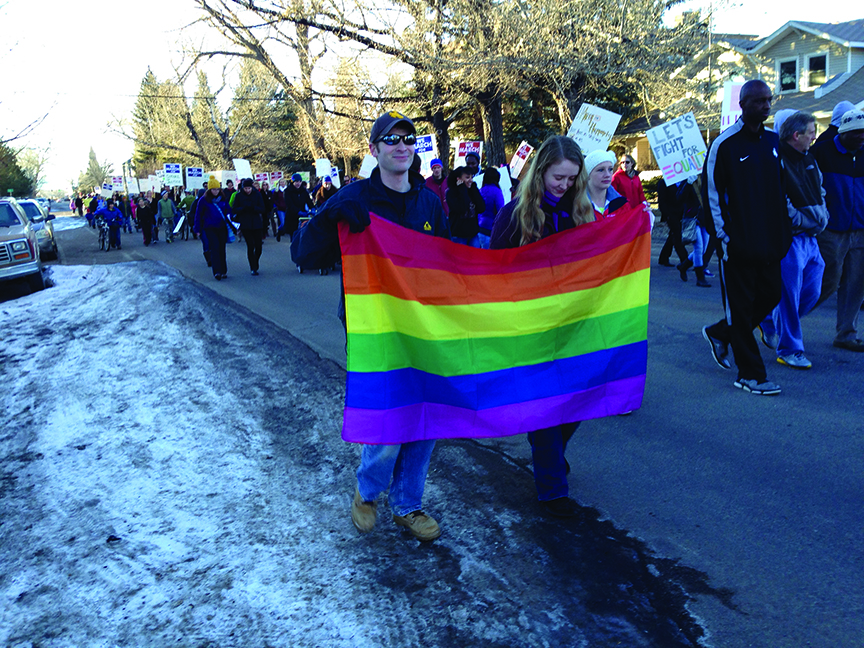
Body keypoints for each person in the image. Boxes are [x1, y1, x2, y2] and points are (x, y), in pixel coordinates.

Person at [292, 110, 449, 542]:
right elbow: (302, 256)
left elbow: (447, 262)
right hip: (374, 330)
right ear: (374, 149)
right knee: (386, 418)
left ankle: (407, 505)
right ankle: (368, 491)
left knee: (425, 418)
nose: (401, 145)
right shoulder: (354, 197)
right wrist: (328, 216)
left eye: (408, 138)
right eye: (391, 138)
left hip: (424, 328)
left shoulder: (429, 202)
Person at [490, 135, 594, 516]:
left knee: (579, 399)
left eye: (571, 179)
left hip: (571, 327)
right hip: (529, 329)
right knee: (547, 407)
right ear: (540, 171)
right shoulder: (513, 214)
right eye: (558, 178)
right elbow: (494, 272)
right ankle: (553, 491)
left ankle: (549, 451)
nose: (564, 186)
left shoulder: (580, 211)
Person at [700, 79, 792, 395]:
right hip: (737, 246)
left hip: (771, 244)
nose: (765, 106)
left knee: (771, 296)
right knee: (741, 311)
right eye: (758, 101)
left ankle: (720, 333)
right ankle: (750, 375)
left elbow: (782, 190)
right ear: (743, 104)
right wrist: (724, 238)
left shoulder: (773, 141)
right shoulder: (724, 144)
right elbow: (710, 194)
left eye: (768, 100)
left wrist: (785, 233)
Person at [752, 110, 828, 369]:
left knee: (813, 290)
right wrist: (802, 220)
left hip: (812, 239)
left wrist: (822, 215)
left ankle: (769, 321)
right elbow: (777, 201)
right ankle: (790, 349)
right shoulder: (776, 159)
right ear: (796, 135)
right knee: (789, 296)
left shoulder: (809, 159)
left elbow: (820, 189)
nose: (813, 138)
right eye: (810, 133)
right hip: (791, 240)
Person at [811, 108, 864, 352]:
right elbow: (807, 186)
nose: (861, 137)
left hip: (860, 231)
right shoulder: (821, 152)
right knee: (826, 282)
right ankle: (780, 320)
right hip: (831, 230)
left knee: (856, 283)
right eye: (856, 133)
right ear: (843, 132)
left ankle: (847, 333)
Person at [193, 175, 234, 280]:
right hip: (210, 227)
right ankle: (217, 272)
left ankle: (224, 271)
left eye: (217, 189)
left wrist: (232, 219)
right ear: (209, 189)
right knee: (214, 248)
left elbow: (228, 211)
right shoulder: (203, 200)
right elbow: (198, 214)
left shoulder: (223, 199)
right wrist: (196, 228)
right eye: (213, 189)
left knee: (222, 248)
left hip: (222, 227)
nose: (216, 191)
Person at [233, 178, 265, 276]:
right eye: (246, 188)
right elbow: (234, 209)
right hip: (245, 224)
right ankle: (253, 267)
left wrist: (254, 208)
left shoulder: (257, 194)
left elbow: (262, 208)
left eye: (249, 188)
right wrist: (243, 209)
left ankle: (256, 261)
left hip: (256, 223)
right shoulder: (239, 196)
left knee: (258, 246)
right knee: (250, 245)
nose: (248, 190)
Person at [446, 166, 485, 247]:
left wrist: (474, 189)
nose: (470, 180)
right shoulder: (451, 193)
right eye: (467, 177)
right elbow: (461, 208)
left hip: (473, 234)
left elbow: (481, 208)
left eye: (472, 177)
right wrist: (462, 189)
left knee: (475, 258)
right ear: (459, 179)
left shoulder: (472, 190)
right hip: (458, 235)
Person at [583, 150, 628, 219]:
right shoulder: (575, 206)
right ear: (588, 174)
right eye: (601, 170)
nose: (607, 175)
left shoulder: (622, 204)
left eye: (610, 169)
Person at [478, 167, 505, 249]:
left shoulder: (480, 190)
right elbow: (500, 210)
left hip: (479, 228)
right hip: (491, 229)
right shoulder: (497, 192)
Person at [282, 173, 314, 242]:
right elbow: (289, 204)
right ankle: (281, 230)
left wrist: (313, 208)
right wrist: (298, 211)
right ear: (293, 182)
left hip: (302, 218)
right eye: (296, 182)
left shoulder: (303, 191)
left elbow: (308, 201)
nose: (298, 183)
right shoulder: (287, 191)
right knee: (294, 238)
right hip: (292, 216)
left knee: (302, 237)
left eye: (300, 181)